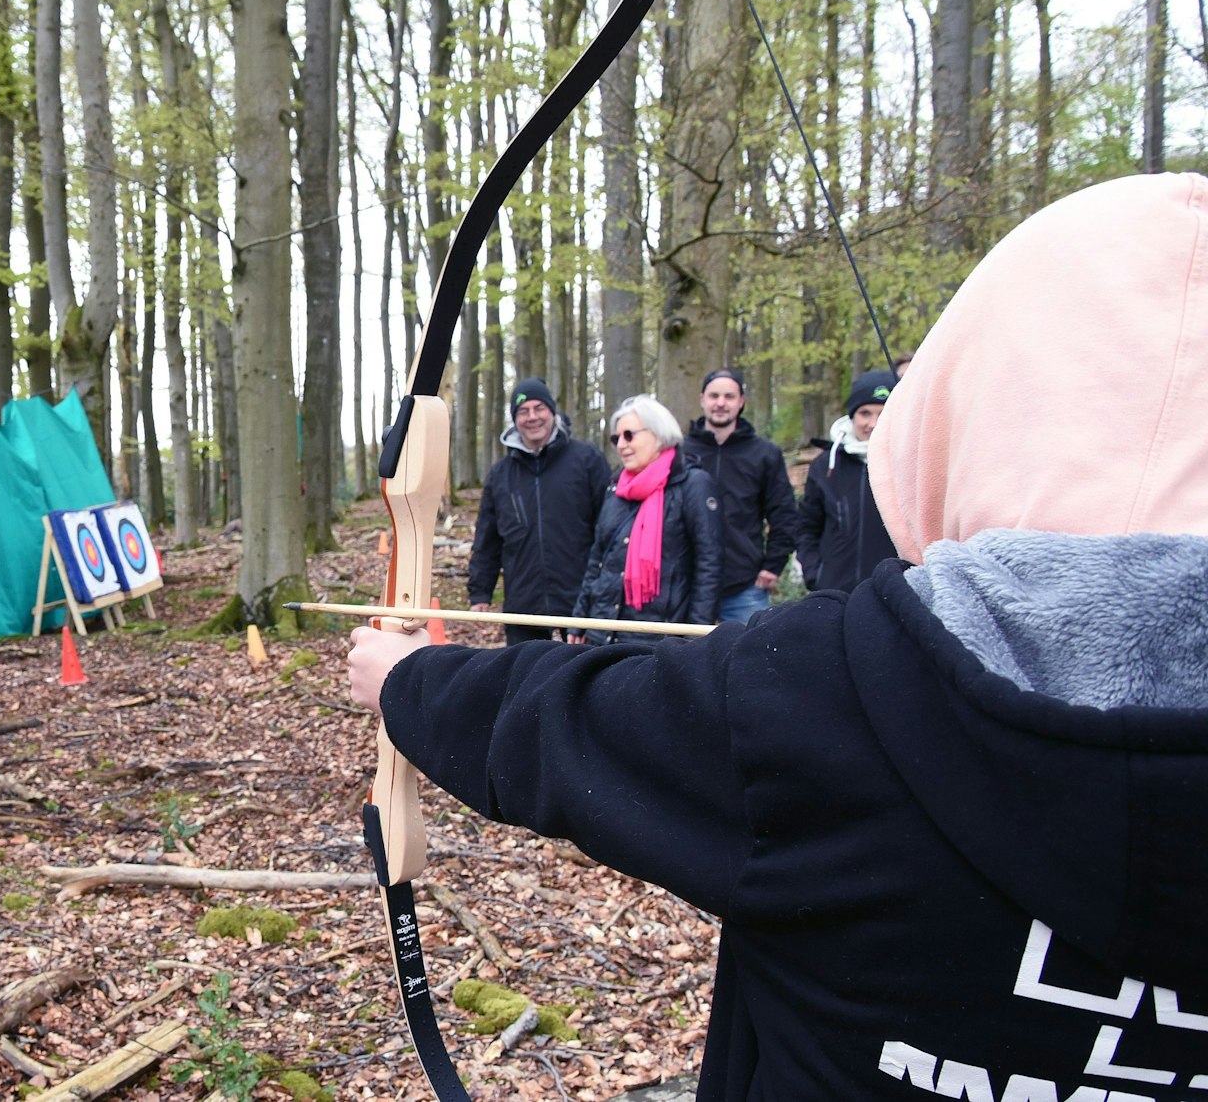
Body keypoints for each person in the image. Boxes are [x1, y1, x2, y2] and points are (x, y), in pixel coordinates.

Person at [346, 172, 1208, 1098]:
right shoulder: (823, 682)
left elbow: (577, 727)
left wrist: (409, 680)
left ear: (969, 410)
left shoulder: (831, 697)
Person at [566, 394, 720, 644]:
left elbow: (708, 565)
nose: (621, 445)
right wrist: (580, 619)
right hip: (603, 631)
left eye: (629, 435)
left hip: (659, 637)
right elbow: (598, 560)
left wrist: (695, 638)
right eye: (616, 438)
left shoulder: (693, 485)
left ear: (658, 434)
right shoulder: (616, 488)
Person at [466, 378, 610, 644]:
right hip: (523, 601)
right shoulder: (500, 475)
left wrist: (603, 591)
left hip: (580, 600)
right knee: (524, 669)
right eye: (523, 411)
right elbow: (487, 539)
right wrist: (480, 592)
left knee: (586, 668)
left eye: (539, 408)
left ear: (552, 411)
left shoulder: (587, 460)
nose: (532, 417)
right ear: (515, 419)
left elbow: (608, 528)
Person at [682, 369, 799, 624]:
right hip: (686, 583)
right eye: (714, 396)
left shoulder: (764, 454)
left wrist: (774, 564)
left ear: (741, 401)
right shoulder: (681, 452)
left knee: (750, 649)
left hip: (744, 587)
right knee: (681, 650)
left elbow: (784, 513)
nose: (720, 403)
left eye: (729, 396)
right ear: (702, 399)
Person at [796, 369, 899, 593]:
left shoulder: (910, 465)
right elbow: (807, 526)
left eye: (883, 414)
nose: (873, 423)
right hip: (836, 593)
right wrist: (816, 575)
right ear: (852, 416)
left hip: (894, 594)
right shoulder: (826, 466)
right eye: (865, 413)